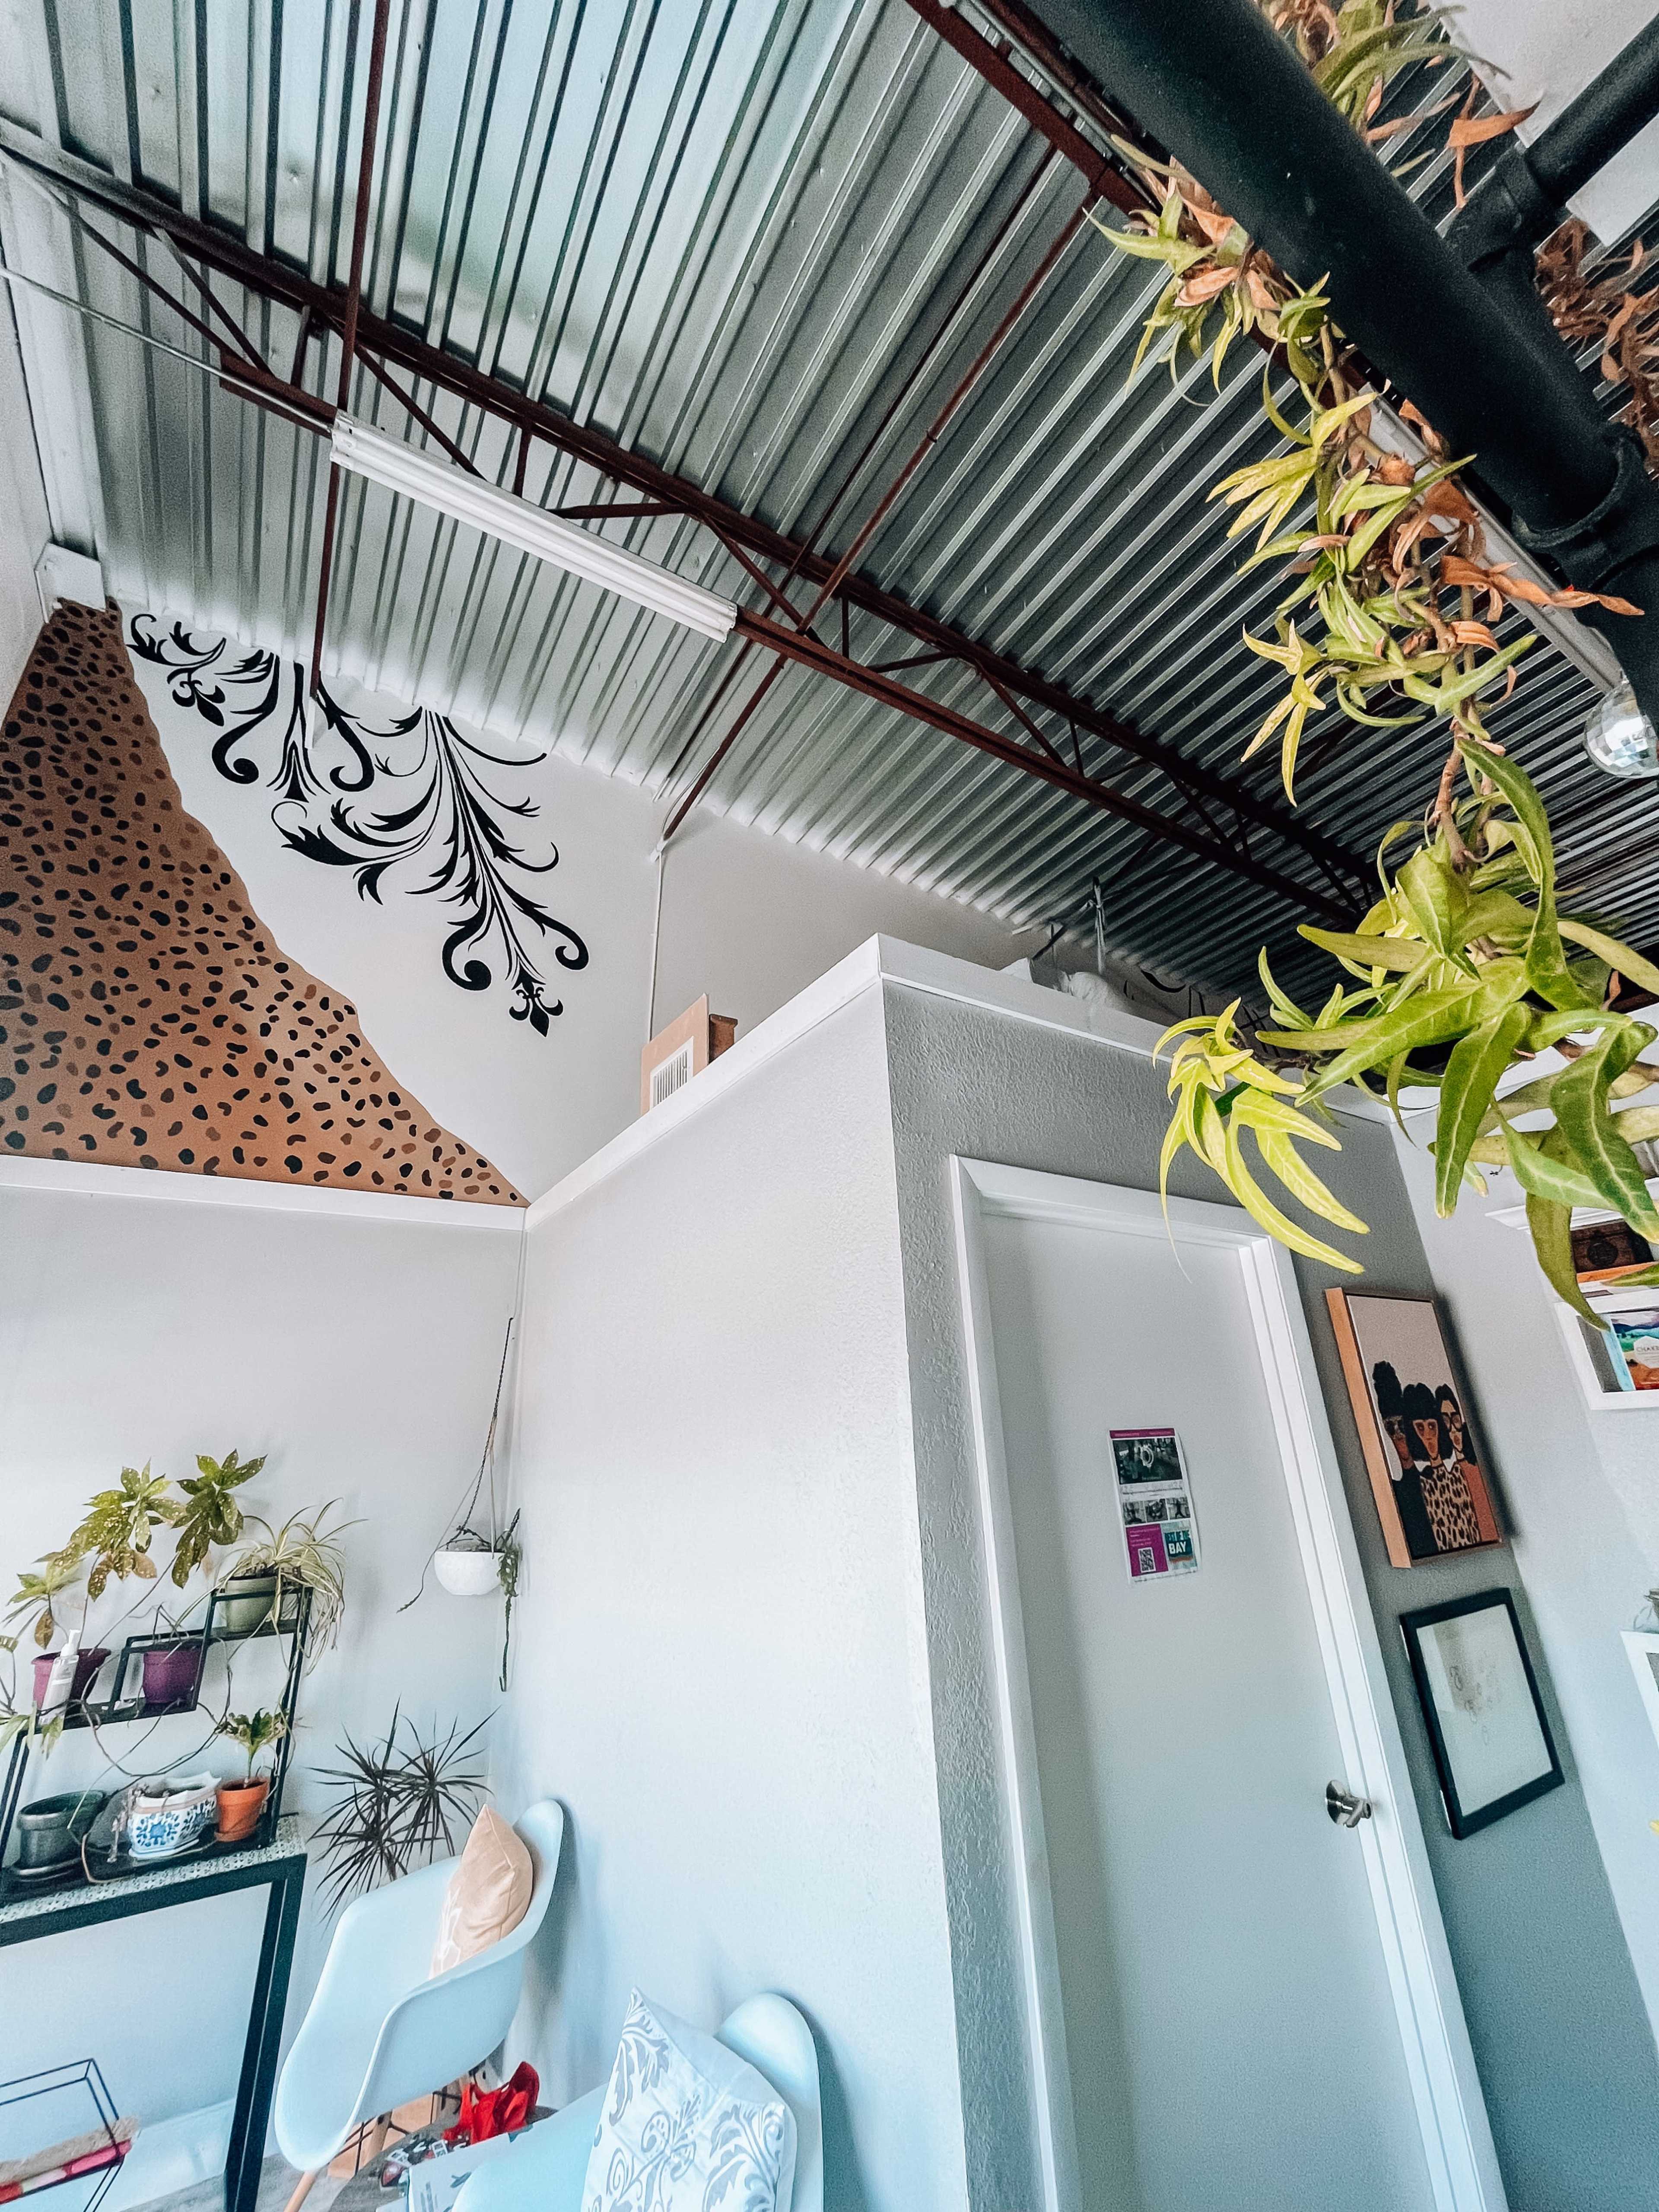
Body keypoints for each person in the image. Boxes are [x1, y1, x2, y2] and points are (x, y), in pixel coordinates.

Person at [1402, 1381, 1481, 1554]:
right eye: (1420, 1428)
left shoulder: (1458, 1475)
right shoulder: (1422, 1484)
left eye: (1432, 1426)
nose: (1429, 1436)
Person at [1371, 1360, 1436, 1559]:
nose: (1398, 1434)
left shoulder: (1432, 1477)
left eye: (1401, 1425)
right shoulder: (1392, 1488)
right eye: (1391, 1427)